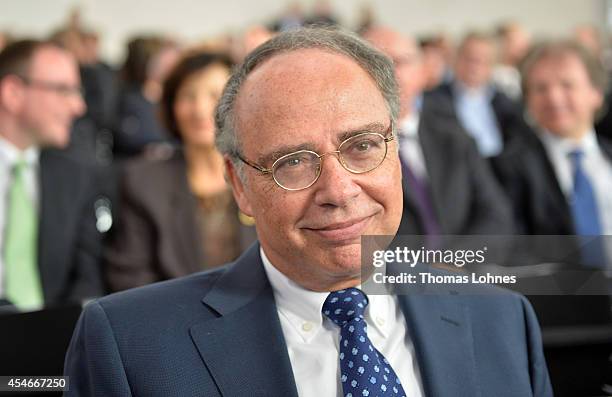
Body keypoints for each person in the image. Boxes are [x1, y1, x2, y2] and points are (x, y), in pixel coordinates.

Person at [64, 28, 552, 396]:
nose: (338, 191)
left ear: (398, 154)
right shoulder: (130, 348)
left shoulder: (503, 321)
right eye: (292, 162)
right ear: (240, 186)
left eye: (362, 146)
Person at [105, 51, 256, 291]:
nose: (200, 109)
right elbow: (130, 278)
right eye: (187, 96)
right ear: (172, 105)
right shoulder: (143, 181)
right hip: (172, 319)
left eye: (214, 95)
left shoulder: (262, 173)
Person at [363, 26, 514, 238]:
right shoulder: (345, 150)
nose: (388, 74)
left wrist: (456, 262)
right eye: (374, 63)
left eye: (401, 62)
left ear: (424, 72)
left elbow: (497, 214)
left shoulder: (454, 133)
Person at [0, 40, 105, 310]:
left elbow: (87, 276)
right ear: (13, 93)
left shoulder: (75, 175)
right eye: (63, 90)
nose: (78, 107)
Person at [492, 41, 612, 243]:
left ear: (596, 93)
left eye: (567, 85)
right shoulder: (507, 168)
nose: (554, 98)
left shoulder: (607, 157)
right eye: (540, 88)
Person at [428, 32, 528, 158]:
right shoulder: (434, 100)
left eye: (482, 61)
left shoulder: (505, 103)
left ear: (492, 66)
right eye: (469, 58)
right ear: (456, 59)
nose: (474, 66)